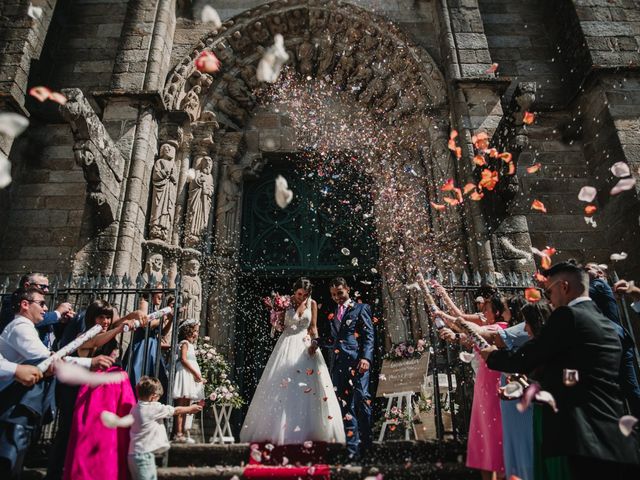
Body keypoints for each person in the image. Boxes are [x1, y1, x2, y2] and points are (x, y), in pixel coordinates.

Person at [482, 261, 640, 478]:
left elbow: (529, 355)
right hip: (614, 437)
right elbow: (575, 376)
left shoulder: (568, 316)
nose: (548, 299)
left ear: (564, 287)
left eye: (549, 291)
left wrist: (493, 356)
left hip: (579, 438)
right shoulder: (608, 326)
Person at [240, 278, 345, 448]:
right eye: (299, 294)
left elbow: (313, 328)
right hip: (287, 344)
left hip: (306, 344)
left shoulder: (312, 304)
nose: (301, 298)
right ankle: (280, 430)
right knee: (284, 384)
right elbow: (279, 326)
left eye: (305, 295)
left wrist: (315, 343)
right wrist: (276, 315)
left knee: (310, 385)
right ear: (294, 291)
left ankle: (310, 430)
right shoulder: (285, 302)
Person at [46, 300, 144, 480]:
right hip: (82, 393)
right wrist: (119, 328)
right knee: (70, 433)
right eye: (101, 317)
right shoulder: (84, 336)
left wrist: (136, 316)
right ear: (92, 318)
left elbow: (122, 322)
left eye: (108, 317)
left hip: (106, 394)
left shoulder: (110, 333)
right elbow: (93, 342)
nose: (105, 321)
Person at [438, 294, 507, 480]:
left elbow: (470, 331)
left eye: (487, 309)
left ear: (498, 312)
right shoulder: (485, 328)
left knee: (496, 440)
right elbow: (470, 335)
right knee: (483, 442)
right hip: (483, 390)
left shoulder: (500, 329)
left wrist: (449, 320)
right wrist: (448, 325)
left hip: (495, 390)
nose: (483, 312)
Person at [317, 276, 374, 459]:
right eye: (333, 294)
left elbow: (368, 336)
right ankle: (352, 451)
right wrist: (315, 343)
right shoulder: (333, 311)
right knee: (344, 407)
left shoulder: (361, 308)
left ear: (347, 289)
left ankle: (367, 448)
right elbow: (333, 339)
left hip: (358, 363)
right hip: (338, 365)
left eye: (340, 293)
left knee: (362, 401)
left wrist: (366, 358)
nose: (337, 297)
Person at [585, 263, 640, 417]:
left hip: (613, 343)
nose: (583, 273)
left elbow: (580, 297)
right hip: (614, 343)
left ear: (600, 273)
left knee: (627, 390)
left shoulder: (598, 284)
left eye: (587, 269)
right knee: (626, 389)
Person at [129, 376, 202, 480]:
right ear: (153, 396)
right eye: (159, 396)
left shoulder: (134, 408)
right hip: (144, 456)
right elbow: (175, 411)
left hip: (132, 455)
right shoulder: (153, 408)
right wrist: (190, 408)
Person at [0, 273, 75, 348]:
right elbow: (31, 320)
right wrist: (57, 313)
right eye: (43, 286)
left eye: (48, 287)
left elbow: (49, 330)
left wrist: (62, 321)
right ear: (27, 285)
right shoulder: (13, 300)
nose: (46, 290)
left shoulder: (39, 302)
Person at [172, 320, 204, 443]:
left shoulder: (190, 345)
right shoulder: (184, 343)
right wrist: (195, 373)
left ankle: (183, 433)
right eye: (195, 330)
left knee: (187, 405)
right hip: (184, 374)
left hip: (189, 375)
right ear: (188, 331)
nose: (196, 333)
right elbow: (184, 360)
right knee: (181, 404)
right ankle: (178, 433)